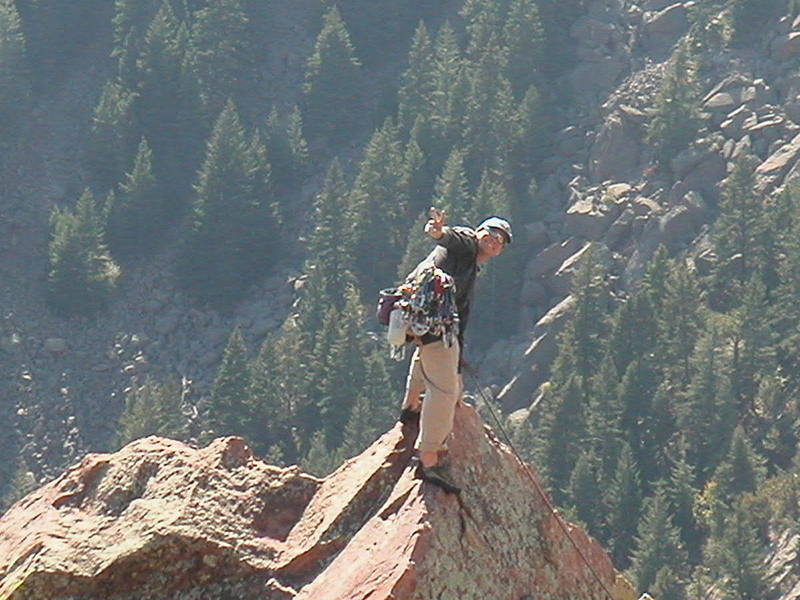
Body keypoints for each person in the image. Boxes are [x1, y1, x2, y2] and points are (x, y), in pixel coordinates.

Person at [399, 209, 512, 493]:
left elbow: (460, 310)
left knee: (430, 357)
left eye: (502, 240)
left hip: (420, 316)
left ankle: (410, 408)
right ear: (478, 231)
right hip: (432, 321)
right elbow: (448, 237)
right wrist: (437, 230)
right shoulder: (465, 244)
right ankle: (429, 459)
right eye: (491, 233)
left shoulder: (469, 265)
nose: (495, 240)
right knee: (446, 391)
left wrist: (458, 347)